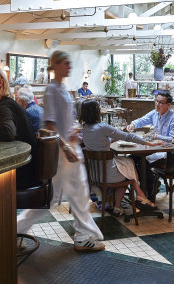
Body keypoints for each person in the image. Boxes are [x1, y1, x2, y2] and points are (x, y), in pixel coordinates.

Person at [17, 51, 105, 252]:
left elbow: (63, 122)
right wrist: (66, 147)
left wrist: (73, 130)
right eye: (66, 63)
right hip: (64, 154)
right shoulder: (51, 90)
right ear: (55, 65)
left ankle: (15, 230)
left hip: (69, 148)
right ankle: (83, 237)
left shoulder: (63, 88)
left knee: (64, 197)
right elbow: (49, 125)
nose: (69, 66)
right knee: (75, 195)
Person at [80, 99, 155, 215]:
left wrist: (120, 134)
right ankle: (136, 197)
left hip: (95, 175)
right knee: (129, 167)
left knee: (127, 164)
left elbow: (106, 140)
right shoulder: (102, 127)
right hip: (109, 175)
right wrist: (148, 143)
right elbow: (129, 137)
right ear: (96, 112)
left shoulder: (85, 128)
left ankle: (135, 198)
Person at [0, 66, 38, 188]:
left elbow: (8, 132)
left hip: (22, 173)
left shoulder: (3, 106)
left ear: (0, 83)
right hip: (19, 167)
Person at [126, 91, 174, 200]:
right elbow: (142, 120)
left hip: (166, 153)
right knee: (130, 160)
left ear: (168, 105)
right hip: (153, 149)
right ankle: (147, 188)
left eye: (160, 102)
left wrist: (157, 136)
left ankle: (148, 192)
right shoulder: (154, 113)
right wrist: (133, 124)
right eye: (156, 101)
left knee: (141, 162)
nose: (157, 104)